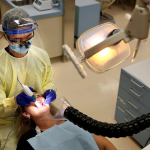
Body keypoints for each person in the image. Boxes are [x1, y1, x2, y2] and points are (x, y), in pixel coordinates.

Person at [0, 8, 56, 150]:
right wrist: (14, 101)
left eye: (28, 38)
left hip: (41, 116)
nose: (25, 44)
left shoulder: (41, 56)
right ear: (5, 36)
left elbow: (48, 81)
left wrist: (50, 90)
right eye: (18, 40)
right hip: (8, 121)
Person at [16, 91, 117, 150]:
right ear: (26, 114)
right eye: (29, 101)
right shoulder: (27, 140)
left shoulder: (74, 120)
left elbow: (105, 145)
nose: (35, 99)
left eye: (38, 96)